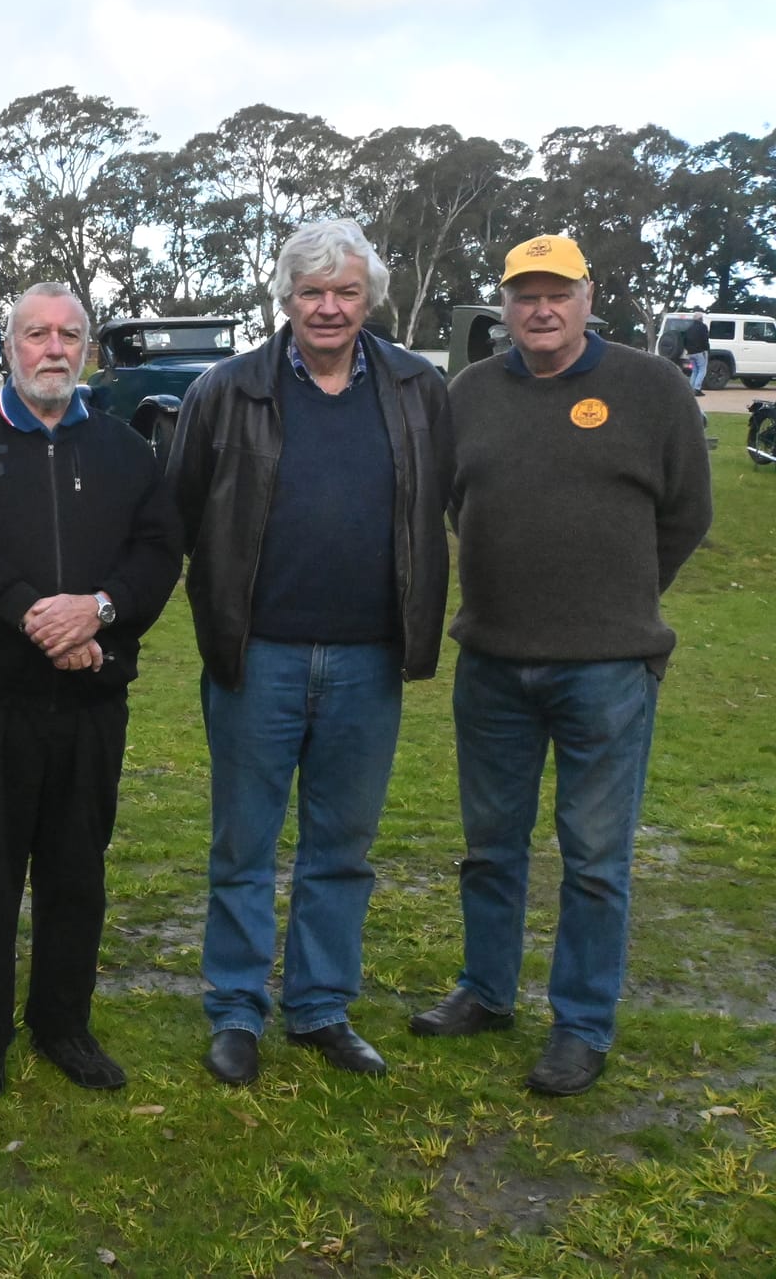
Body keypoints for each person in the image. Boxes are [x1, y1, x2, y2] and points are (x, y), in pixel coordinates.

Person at [409, 234, 712, 1095]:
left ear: (588, 298)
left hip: (609, 669)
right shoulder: (468, 393)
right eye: (524, 294)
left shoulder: (650, 387)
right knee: (491, 847)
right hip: (496, 663)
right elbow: (452, 504)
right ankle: (486, 991)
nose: (541, 309)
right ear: (504, 305)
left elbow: (687, 511)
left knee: (594, 858)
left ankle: (581, 1023)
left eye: (558, 293)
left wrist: (623, 599)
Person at [168, 221, 454, 1087]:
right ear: (284, 298)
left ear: (370, 299)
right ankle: (236, 1009)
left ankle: (323, 1005)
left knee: (342, 845)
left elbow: (440, 501)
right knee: (244, 844)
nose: (329, 309)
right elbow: (178, 512)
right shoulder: (226, 390)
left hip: (370, 658)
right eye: (311, 292)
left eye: (346, 292)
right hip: (259, 660)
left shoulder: (416, 388)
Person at [0, 281, 180, 1098]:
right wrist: (36, 616)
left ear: (88, 349)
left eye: (69, 334)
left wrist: (97, 612)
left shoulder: (128, 451)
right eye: (36, 333)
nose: (53, 348)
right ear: (9, 346)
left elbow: (158, 552)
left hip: (92, 707)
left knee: (75, 874)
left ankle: (63, 1023)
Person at [680, 312, 710, 395]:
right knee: (702, 370)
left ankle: (690, 389)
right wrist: (707, 350)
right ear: (701, 319)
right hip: (700, 352)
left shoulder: (689, 328)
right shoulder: (703, 327)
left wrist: (688, 349)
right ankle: (697, 389)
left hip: (690, 353)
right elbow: (705, 339)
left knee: (695, 371)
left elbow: (684, 340)